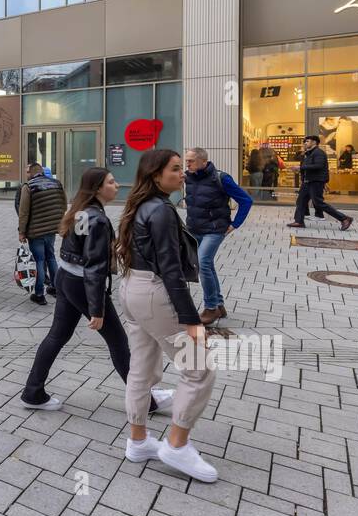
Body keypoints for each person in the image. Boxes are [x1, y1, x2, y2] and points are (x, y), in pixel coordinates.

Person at [21, 166, 157, 412]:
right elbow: (94, 267)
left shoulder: (79, 210)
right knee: (118, 341)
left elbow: (81, 253)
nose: (116, 185)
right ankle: (145, 400)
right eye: (111, 182)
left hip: (66, 278)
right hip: (82, 284)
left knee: (57, 335)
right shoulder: (97, 218)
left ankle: (33, 392)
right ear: (97, 189)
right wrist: (97, 309)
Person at [117, 149, 217, 481]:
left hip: (132, 288)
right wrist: (191, 320)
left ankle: (139, 441)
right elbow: (171, 269)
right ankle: (176, 445)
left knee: (141, 369)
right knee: (199, 369)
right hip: (154, 293)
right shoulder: (159, 210)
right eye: (175, 169)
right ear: (155, 175)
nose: (182, 174)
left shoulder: (141, 206)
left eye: (182, 168)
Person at [183, 147, 251, 326]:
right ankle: (219, 305)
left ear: (203, 162)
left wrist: (235, 224)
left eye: (191, 161)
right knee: (207, 264)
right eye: (186, 160)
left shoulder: (221, 178)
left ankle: (210, 308)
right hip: (194, 228)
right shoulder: (187, 177)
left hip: (215, 230)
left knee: (203, 262)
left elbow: (246, 200)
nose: (187, 164)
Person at [17, 161, 67, 305]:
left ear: (32, 172)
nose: (26, 175)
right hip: (52, 229)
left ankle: (39, 294)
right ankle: (57, 289)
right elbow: (63, 204)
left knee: (39, 260)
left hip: (36, 231)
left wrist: (22, 232)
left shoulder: (28, 187)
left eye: (27, 172)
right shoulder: (56, 183)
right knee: (51, 257)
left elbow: (24, 212)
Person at [288, 136, 352, 230]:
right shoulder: (308, 153)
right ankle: (299, 221)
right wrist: (300, 170)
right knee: (301, 201)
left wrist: (300, 168)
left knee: (318, 203)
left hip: (315, 182)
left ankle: (345, 219)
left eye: (307, 141)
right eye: (304, 141)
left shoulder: (319, 153)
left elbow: (318, 166)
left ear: (314, 142)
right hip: (307, 181)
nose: (305, 143)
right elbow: (308, 166)